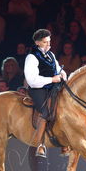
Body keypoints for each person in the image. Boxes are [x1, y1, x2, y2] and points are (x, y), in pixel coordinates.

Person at [24, 29, 67, 158]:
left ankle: (65, 142)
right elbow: (32, 80)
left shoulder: (51, 55)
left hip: (53, 87)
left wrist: (62, 74)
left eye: (49, 42)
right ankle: (40, 145)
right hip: (38, 89)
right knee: (45, 112)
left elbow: (58, 68)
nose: (48, 45)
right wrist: (52, 79)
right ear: (37, 43)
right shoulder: (31, 57)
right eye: (45, 42)